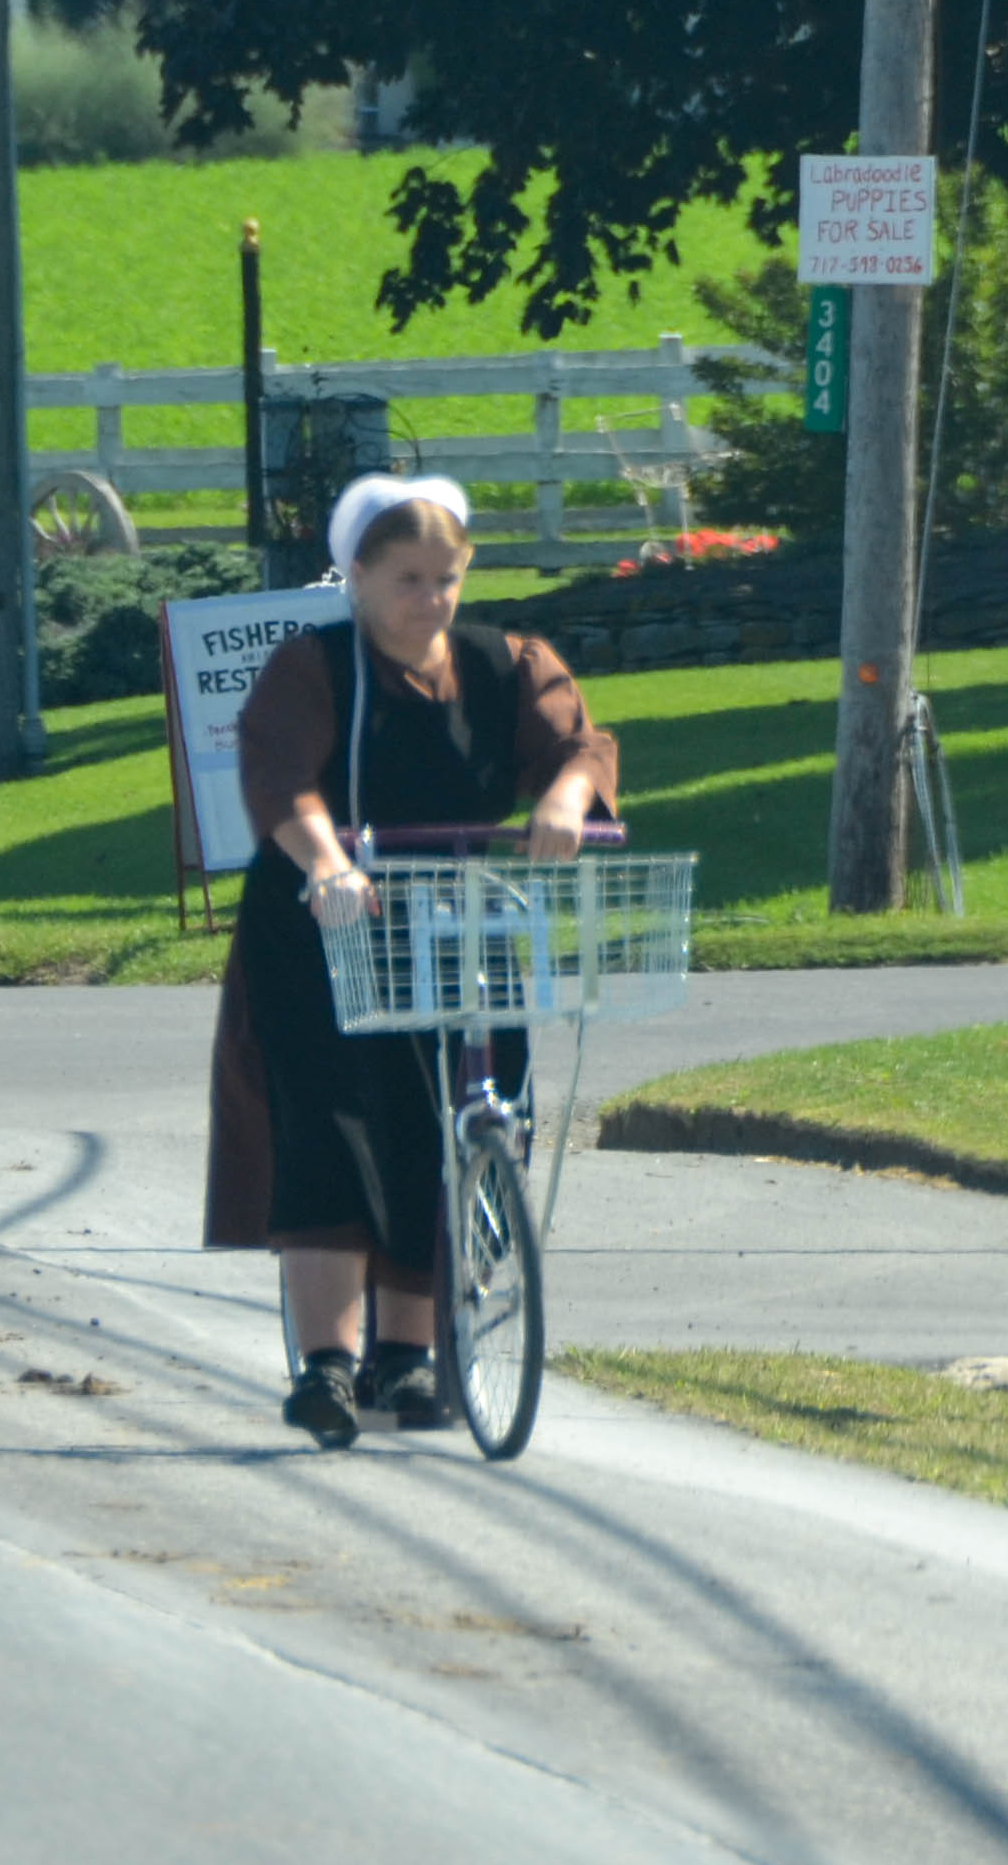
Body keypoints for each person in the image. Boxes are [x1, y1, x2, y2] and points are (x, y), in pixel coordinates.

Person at [203, 474, 617, 1448]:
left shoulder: (507, 662)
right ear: (354, 578)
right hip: (326, 917)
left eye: (447, 578)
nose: (431, 599)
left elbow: (578, 743)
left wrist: (563, 799)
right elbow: (282, 779)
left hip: (461, 909)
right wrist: (330, 863)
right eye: (407, 579)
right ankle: (331, 1366)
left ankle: (411, 1352)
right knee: (336, 1126)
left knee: (448, 1123)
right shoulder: (312, 667)